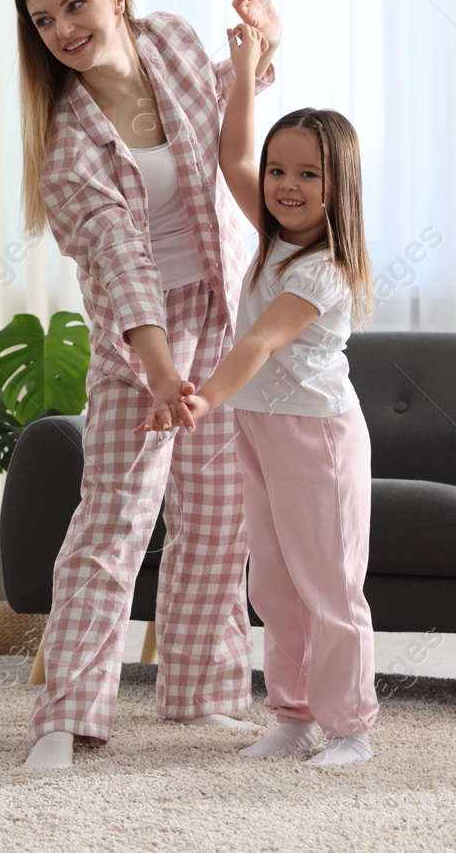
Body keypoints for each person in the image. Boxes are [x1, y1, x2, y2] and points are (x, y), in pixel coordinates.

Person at [14, 0, 280, 769]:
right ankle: (67, 715)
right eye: (44, 20)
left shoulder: (170, 39)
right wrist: (160, 370)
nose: (62, 29)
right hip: (141, 336)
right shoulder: (66, 142)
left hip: (219, 303)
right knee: (114, 520)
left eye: (74, 5)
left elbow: (233, 114)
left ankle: (200, 694)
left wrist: (264, 43)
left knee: (217, 510)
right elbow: (121, 263)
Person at [140, 108, 378, 766]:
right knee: (273, 585)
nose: (285, 185)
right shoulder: (275, 241)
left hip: (317, 436)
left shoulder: (322, 269)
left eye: (308, 173)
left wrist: (200, 399)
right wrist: (245, 66)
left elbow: (261, 342)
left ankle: (351, 728)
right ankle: (294, 715)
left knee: (329, 586)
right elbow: (234, 155)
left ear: (340, 186)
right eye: (279, 171)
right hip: (260, 430)